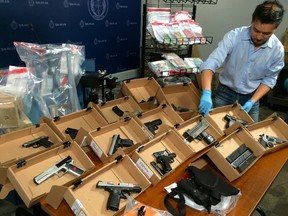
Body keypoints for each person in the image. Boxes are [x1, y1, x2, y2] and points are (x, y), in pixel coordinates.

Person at [198, 0, 285, 122]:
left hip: (252, 97)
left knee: (248, 134)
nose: (259, 37)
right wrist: (206, 93)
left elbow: (270, 79)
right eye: (256, 30)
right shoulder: (234, 36)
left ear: (275, 28)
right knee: (215, 128)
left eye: (266, 33)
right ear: (252, 21)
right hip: (225, 93)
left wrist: (252, 101)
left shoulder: (277, 50)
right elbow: (211, 62)